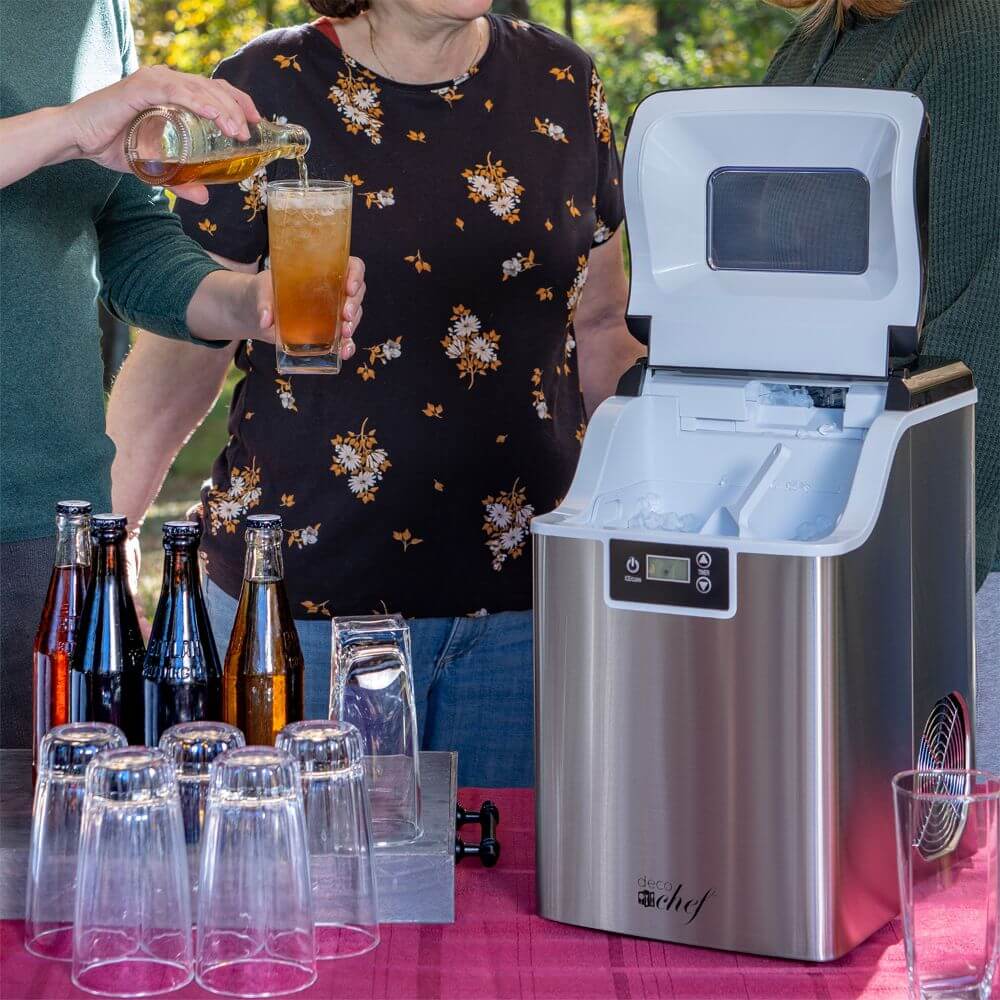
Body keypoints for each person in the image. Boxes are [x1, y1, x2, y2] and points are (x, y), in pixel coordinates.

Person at [108, 0, 641, 786]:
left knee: (510, 895)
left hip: (530, 613)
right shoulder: (263, 89)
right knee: (299, 894)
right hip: (298, 615)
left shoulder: (566, 81)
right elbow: (184, 349)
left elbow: (599, 327)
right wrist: (105, 539)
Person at [0, 0, 365, 749]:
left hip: (50, 523)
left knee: (57, 838)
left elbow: (129, 234)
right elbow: (77, 134)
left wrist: (246, 303)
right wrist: (66, 128)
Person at [765, 0, 1000, 768]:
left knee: (936, 858)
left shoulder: (971, 36)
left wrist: (909, 564)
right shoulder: (812, 44)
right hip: (836, 529)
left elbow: (970, 343)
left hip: (942, 552)